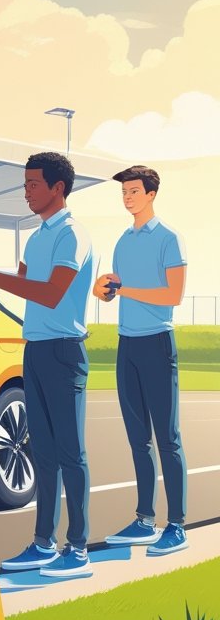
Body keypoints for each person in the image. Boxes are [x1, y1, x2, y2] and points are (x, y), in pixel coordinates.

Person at [0, 152, 95, 579]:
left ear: (57, 188)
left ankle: (78, 548)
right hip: (36, 351)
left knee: (70, 453)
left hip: (64, 351)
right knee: (42, 451)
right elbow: (26, 288)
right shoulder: (35, 238)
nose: (26, 192)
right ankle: (44, 543)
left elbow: (50, 293)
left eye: (33, 185)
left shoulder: (72, 235)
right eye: (25, 184)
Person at [94, 166, 189, 555]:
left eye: (134, 191)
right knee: (138, 439)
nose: (127, 197)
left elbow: (173, 296)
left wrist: (125, 289)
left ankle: (177, 525)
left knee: (168, 438)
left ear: (151, 194)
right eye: (124, 192)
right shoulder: (122, 240)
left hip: (157, 344)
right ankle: (144, 519)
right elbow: (114, 290)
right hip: (127, 346)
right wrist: (104, 290)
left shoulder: (169, 238)